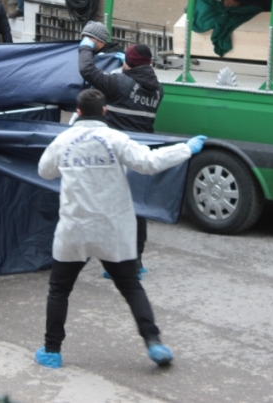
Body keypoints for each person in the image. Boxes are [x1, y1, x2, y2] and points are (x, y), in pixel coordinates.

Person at [35, 89, 206, 369]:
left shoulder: (63, 140)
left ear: (77, 112)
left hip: (74, 230)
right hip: (112, 230)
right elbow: (150, 163)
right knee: (130, 287)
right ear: (105, 111)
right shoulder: (115, 139)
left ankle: (52, 351)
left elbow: (45, 171)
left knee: (59, 291)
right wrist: (186, 148)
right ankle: (154, 342)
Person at [78, 21, 163, 276]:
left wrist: (87, 47)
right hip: (140, 153)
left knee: (109, 207)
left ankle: (113, 264)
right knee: (136, 208)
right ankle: (136, 262)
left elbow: (86, 70)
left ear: (130, 64)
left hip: (115, 153)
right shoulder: (159, 90)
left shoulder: (119, 84)